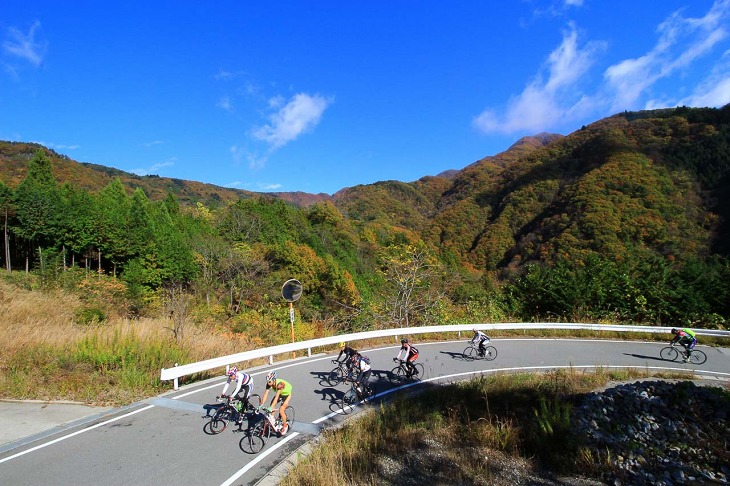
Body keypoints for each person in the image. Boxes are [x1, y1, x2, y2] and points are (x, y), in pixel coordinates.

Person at [259, 370, 292, 436]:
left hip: (286, 394)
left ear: (274, 380)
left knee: (281, 410)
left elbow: (277, 397)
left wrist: (270, 408)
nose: (268, 383)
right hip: (280, 394)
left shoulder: (280, 384)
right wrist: (261, 405)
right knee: (272, 405)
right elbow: (265, 394)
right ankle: (273, 421)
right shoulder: (269, 383)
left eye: (270, 381)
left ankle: (285, 426)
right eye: (267, 381)